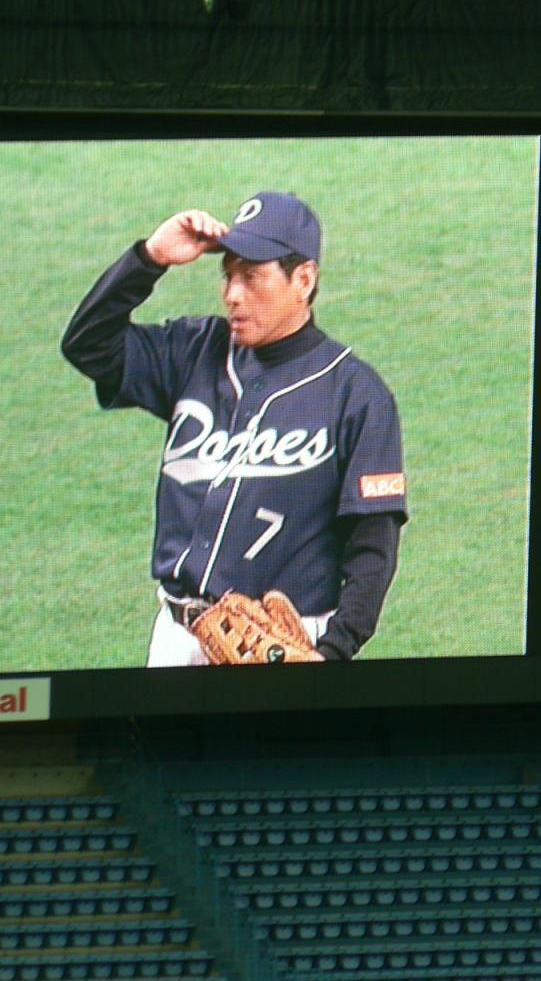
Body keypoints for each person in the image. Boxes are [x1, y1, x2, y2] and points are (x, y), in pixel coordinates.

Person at [61, 191, 407, 666]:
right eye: (228, 276)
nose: (232, 294)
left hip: (288, 645)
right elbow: (87, 346)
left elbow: (374, 541)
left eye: (252, 277)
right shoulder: (194, 351)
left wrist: (334, 652)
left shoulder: (357, 394)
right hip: (176, 636)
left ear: (303, 279)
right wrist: (150, 258)